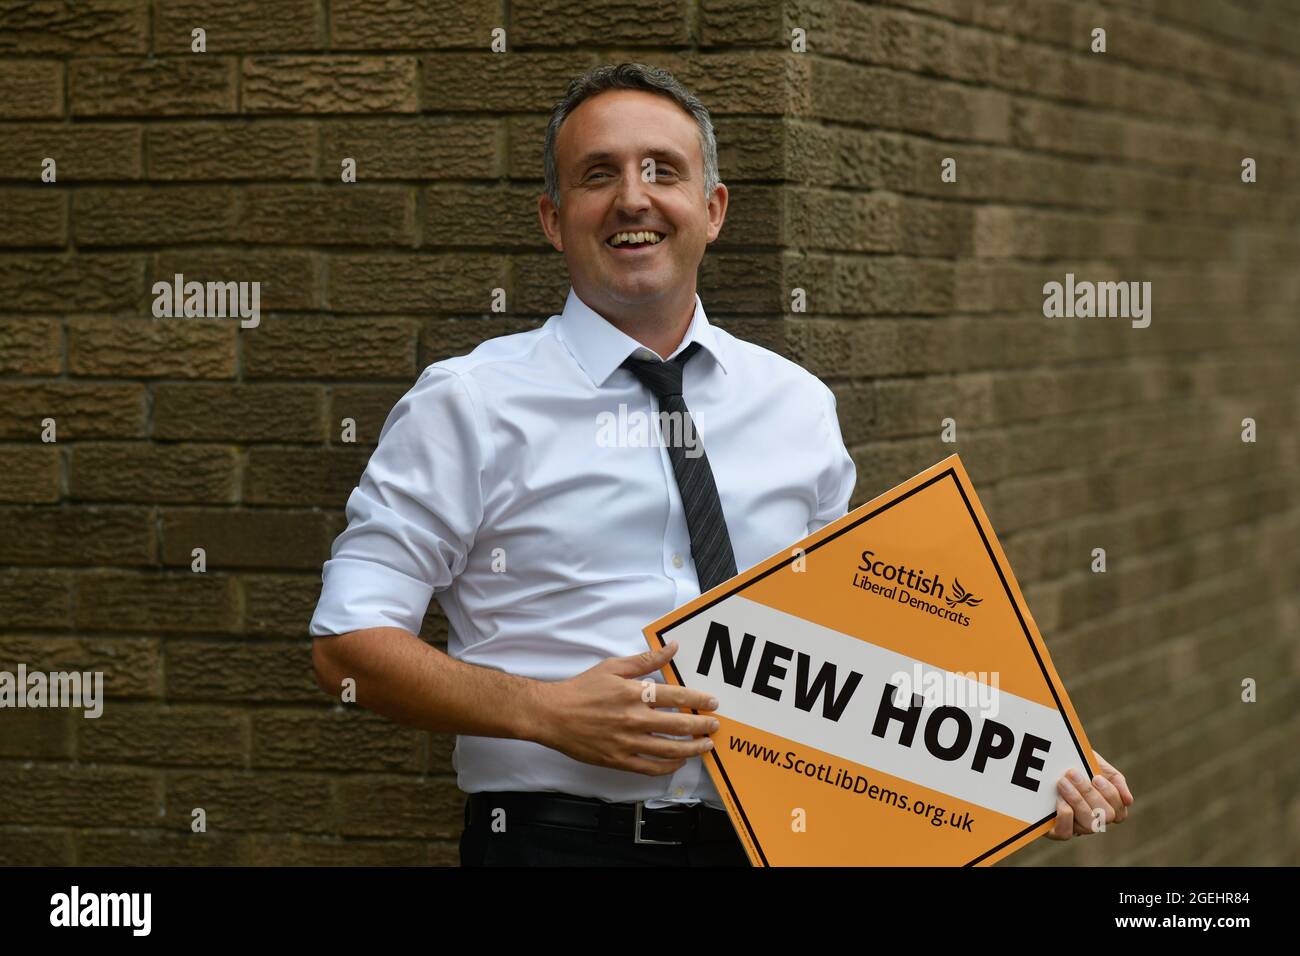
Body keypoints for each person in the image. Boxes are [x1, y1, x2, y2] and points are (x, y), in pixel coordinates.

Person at [309, 62, 1132, 866]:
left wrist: (1012, 775)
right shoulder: (468, 402)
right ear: (553, 220)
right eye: (598, 175)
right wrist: (547, 712)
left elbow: (840, 671)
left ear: (712, 208)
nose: (633, 197)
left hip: (770, 843)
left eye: (662, 171)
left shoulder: (797, 404)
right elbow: (347, 642)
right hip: (555, 845)